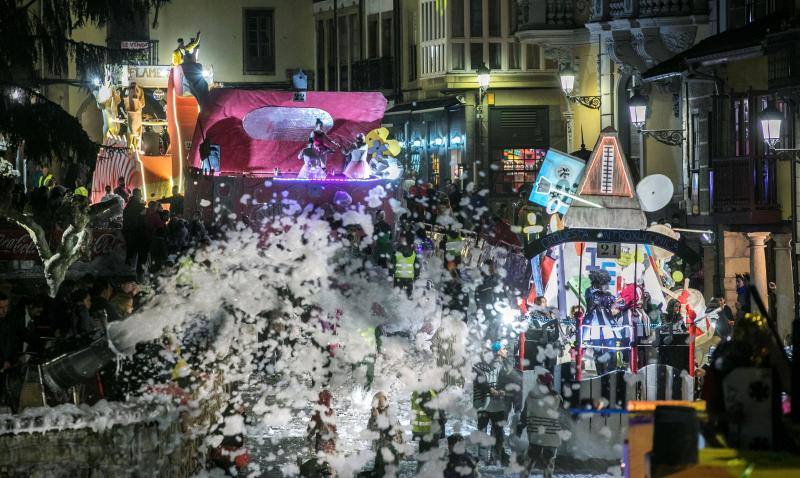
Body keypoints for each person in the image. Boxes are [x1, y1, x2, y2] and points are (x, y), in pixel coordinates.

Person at [472, 342, 513, 466]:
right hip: (488, 404)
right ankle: (489, 459)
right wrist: (492, 390)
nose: (506, 351)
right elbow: (480, 380)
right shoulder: (483, 366)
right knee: (492, 432)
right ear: (498, 352)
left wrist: (504, 391)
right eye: (504, 349)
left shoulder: (504, 366)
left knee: (493, 432)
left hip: (492, 405)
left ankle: (490, 458)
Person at [516, 371, 563, 478]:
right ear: (550, 383)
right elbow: (562, 418)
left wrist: (520, 427)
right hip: (552, 438)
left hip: (536, 437)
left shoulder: (532, 396)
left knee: (528, 462)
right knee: (548, 465)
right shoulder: (557, 398)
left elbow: (524, 415)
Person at [583, 269, 620, 375]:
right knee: (598, 352)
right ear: (599, 283)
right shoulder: (589, 291)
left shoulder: (607, 293)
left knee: (612, 351)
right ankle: (600, 375)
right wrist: (601, 299)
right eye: (605, 284)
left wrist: (617, 302)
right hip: (594, 327)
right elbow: (590, 306)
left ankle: (611, 373)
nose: (607, 286)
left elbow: (614, 304)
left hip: (608, 326)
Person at [366, 391, 405, 477]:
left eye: (381, 401)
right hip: (380, 449)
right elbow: (370, 431)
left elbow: (390, 431)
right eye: (378, 401)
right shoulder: (374, 415)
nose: (380, 403)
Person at [123, 188, 147, 279]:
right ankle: (135, 275)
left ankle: (130, 273)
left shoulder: (130, 204)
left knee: (131, 251)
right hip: (136, 231)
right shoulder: (136, 205)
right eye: (140, 194)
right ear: (137, 195)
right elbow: (141, 216)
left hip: (130, 230)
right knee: (137, 253)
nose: (140, 196)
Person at [410, 389, 443, 457]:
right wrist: (442, 419)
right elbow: (432, 411)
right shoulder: (425, 391)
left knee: (424, 455)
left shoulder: (419, 390)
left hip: (423, 430)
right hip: (429, 430)